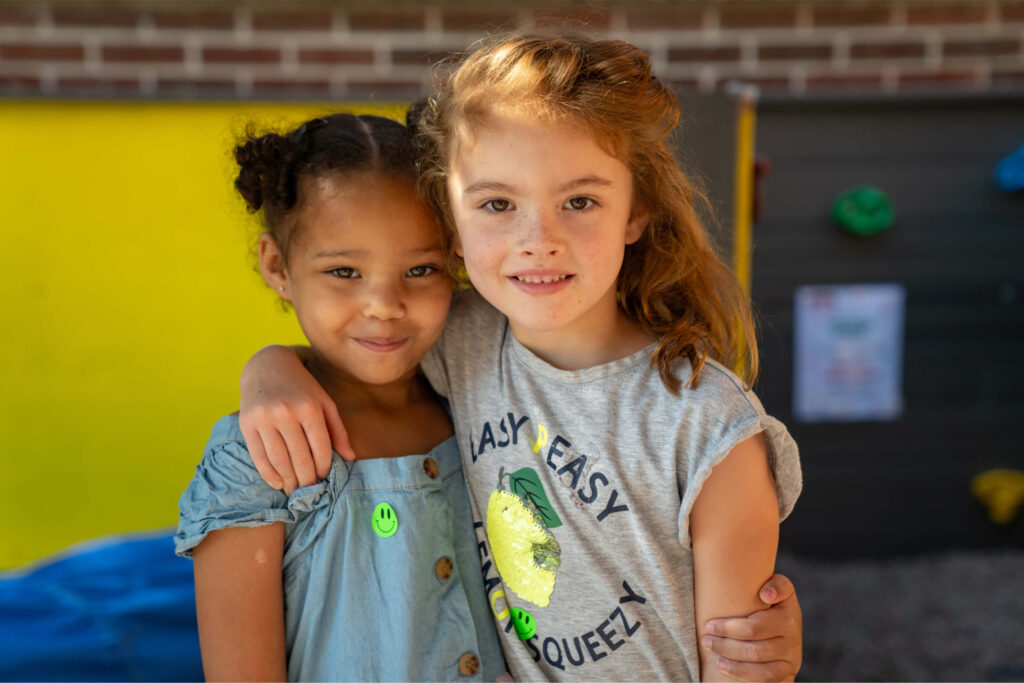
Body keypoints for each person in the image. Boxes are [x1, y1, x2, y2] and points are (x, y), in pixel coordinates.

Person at [239, 34, 804, 681]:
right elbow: (350, 350)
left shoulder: (705, 425)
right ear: (451, 220)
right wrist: (271, 369)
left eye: (580, 200)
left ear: (636, 209)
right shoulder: (462, 341)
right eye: (498, 204)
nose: (539, 241)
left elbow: (746, 665)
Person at [174, 113, 506, 681]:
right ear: (277, 266)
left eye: (421, 269)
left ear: (456, 260)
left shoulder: (480, 404)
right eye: (345, 271)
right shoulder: (257, 461)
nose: (384, 304)